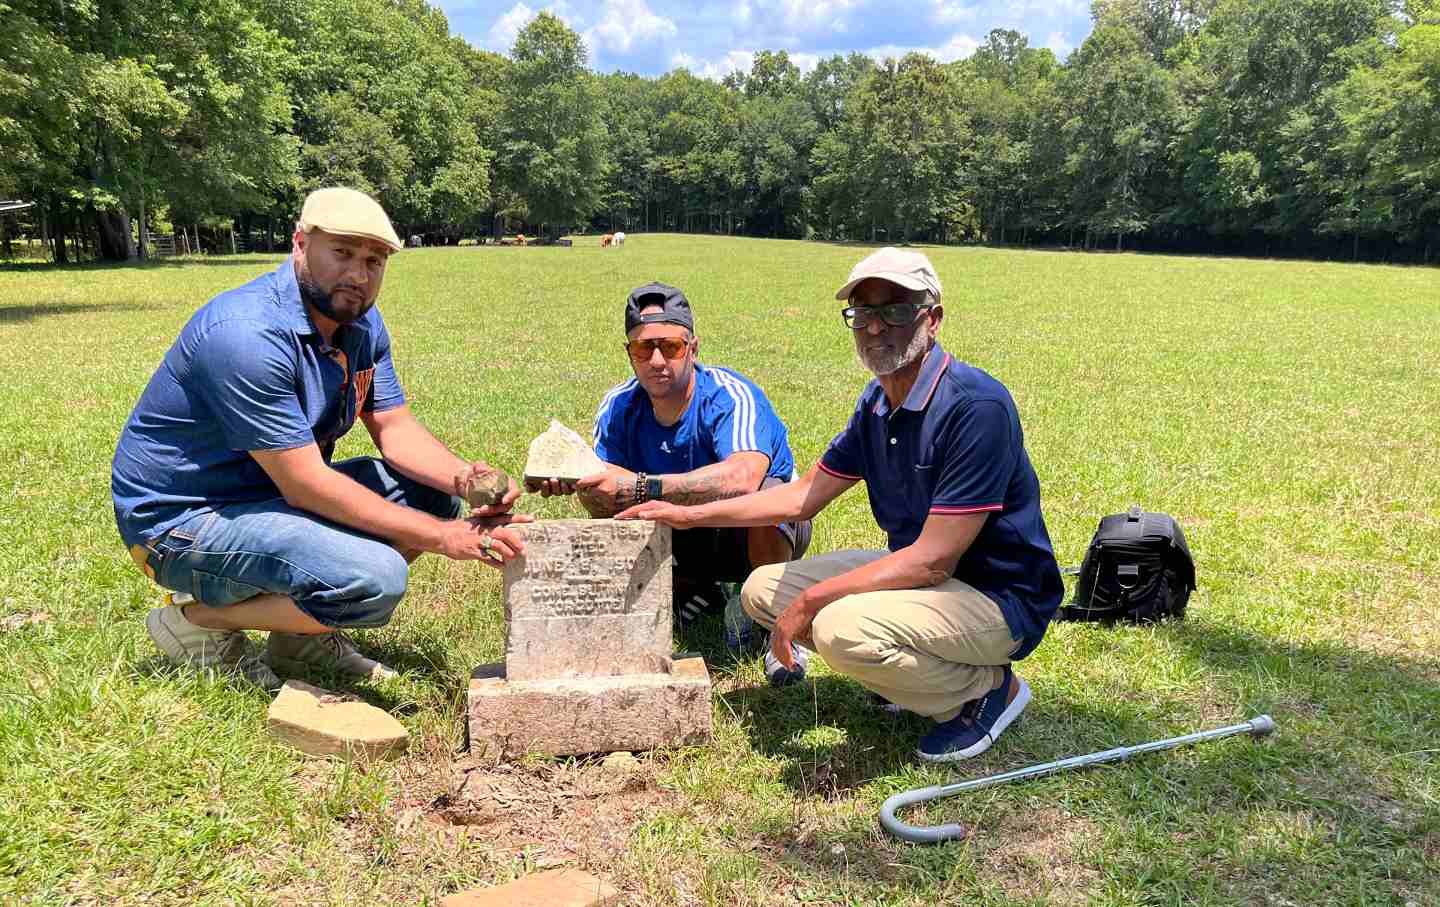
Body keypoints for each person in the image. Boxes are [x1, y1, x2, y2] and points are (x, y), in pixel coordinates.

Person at [618, 249, 1062, 762]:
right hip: (931, 580)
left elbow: (932, 559)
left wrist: (812, 602)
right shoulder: (877, 402)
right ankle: (911, 677)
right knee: (764, 590)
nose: (875, 328)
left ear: (932, 319)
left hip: (999, 596)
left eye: (895, 309)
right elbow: (803, 495)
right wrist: (685, 513)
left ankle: (987, 693)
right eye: (863, 313)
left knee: (836, 626)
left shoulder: (974, 407)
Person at [112, 187, 528, 691]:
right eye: (343, 253)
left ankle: (301, 638)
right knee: (373, 579)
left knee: (431, 492)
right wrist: (445, 538)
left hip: (264, 496)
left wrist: (469, 482)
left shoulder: (359, 322)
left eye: (374, 260)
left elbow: (393, 427)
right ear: (300, 244)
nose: (359, 273)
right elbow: (306, 486)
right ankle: (198, 622)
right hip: (184, 522)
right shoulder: (246, 336)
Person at [530, 281, 811, 636]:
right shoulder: (617, 405)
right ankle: (693, 589)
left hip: (751, 530)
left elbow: (743, 478)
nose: (657, 361)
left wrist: (642, 486)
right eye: (644, 349)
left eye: (671, 347)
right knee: (603, 496)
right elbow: (605, 481)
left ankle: (774, 620)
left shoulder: (730, 395)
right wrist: (577, 480)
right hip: (680, 531)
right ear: (628, 353)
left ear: (693, 348)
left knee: (766, 493)